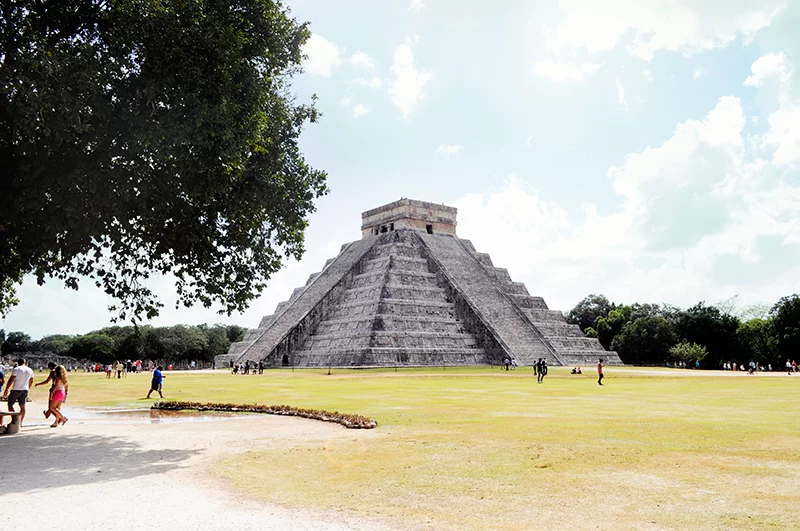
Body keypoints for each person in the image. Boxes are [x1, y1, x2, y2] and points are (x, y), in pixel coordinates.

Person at [2, 358, 35, 427]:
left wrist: (7, 389)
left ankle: (14, 420)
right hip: (25, 389)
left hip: (16, 389)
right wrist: (28, 387)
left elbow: (11, 379)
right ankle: (20, 422)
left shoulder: (17, 369)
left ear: (18, 363)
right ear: (25, 362)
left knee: (10, 404)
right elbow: (31, 380)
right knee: (22, 406)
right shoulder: (30, 370)